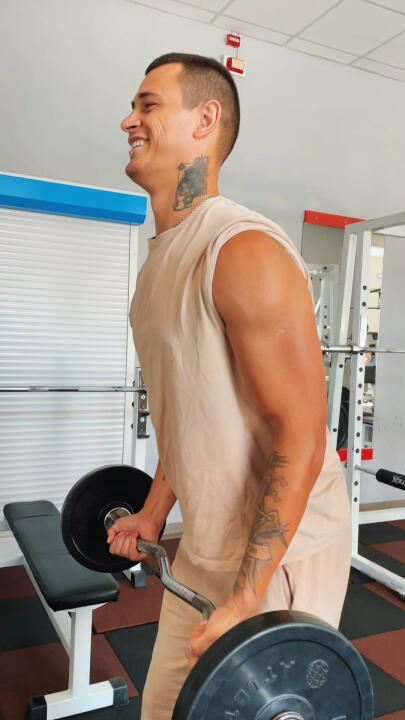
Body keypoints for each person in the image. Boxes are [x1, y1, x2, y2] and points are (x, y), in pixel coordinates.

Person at [107, 53, 351, 720]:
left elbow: (302, 435)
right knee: (163, 709)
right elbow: (189, 414)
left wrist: (248, 595)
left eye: (148, 105)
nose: (129, 120)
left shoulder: (241, 250)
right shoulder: (158, 265)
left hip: (281, 553)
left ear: (204, 119)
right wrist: (153, 512)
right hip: (206, 546)